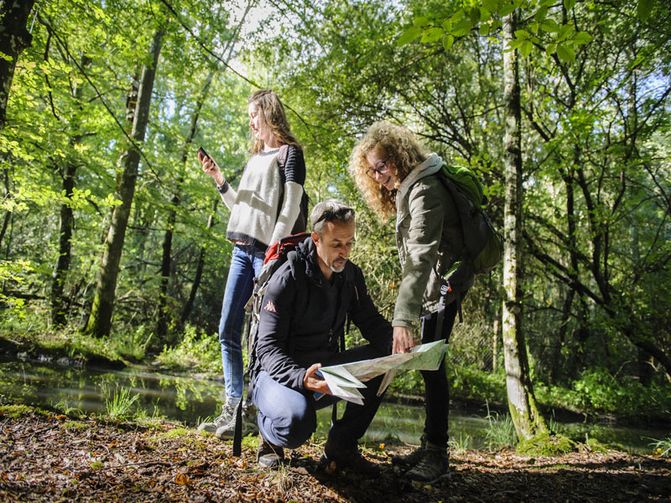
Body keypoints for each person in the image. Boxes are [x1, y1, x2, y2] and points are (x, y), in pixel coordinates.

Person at [349, 121, 472, 482]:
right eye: (371, 169)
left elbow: (419, 257)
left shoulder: (424, 191)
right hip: (434, 287)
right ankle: (430, 445)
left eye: (382, 165)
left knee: (431, 364)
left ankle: (437, 455)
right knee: (429, 365)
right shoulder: (410, 187)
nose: (378, 174)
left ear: (400, 156)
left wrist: (403, 318)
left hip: (444, 288)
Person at [250, 200, 410, 472]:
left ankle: (341, 446)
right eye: (337, 244)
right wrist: (301, 378)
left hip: (324, 371)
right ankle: (269, 438)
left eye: (349, 243)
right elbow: (266, 349)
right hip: (276, 375)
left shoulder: (350, 276)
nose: (344, 252)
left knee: (385, 358)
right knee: (298, 423)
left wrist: (398, 344)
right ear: (316, 238)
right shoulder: (286, 278)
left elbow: (370, 322)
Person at [197, 89, 307, 439]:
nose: (250, 122)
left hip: (267, 255)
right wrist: (219, 180)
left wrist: (274, 253)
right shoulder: (257, 157)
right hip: (240, 251)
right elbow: (241, 212)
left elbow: (289, 209)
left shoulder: (291, 154)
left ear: (268, 112)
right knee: (227, 329)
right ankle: (233, 409)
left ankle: (257, 413)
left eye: (253, 115)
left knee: (261, 338)